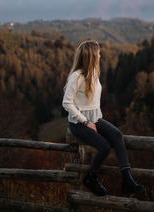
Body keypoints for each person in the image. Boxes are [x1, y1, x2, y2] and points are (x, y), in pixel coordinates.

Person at [62, 40, 144, 196]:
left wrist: (93, 120)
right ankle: (91, 178)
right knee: (104, 146)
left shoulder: (93, 72)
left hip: (95, 118)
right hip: (78, 123)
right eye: (98, 53)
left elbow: (92, 102)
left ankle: (128, 180)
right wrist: (85, 121)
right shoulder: (77, 76)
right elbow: (66, 103)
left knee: (117, 135)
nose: (100, 55)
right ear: (92, 56)